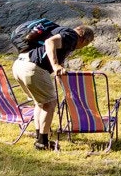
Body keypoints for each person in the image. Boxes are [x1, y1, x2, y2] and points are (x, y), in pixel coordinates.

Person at [12, 23, 95, 151]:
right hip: (32, 68)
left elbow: (54, 48)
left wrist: (58, 71)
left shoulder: (61, 32)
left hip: (19, 65)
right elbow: (50, 42)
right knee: (50, 103)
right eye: (86, 45)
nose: (82, 47)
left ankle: (40, 137)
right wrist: (55, 65)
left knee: (40, 103)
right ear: (84, 39)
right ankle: (42, 143)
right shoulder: (71, 36)